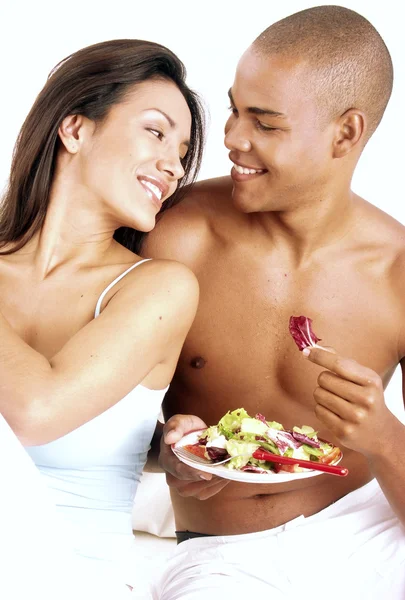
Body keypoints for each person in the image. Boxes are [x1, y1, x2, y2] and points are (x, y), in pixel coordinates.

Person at [142, 5, 405, 599]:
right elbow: (83, 414)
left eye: (265, 123)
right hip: (223, 556)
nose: (232, 139)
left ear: (346, 132)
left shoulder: (397, 273)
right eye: (235, 109)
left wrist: (384, 435)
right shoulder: (174, 234)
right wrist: (166, 451)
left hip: (374, 535)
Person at [0, 38, 205, 597]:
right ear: (74, 129)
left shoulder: (158, 288)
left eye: (183, 151)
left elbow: (36, 412)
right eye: (156, 131)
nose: (173, 165)